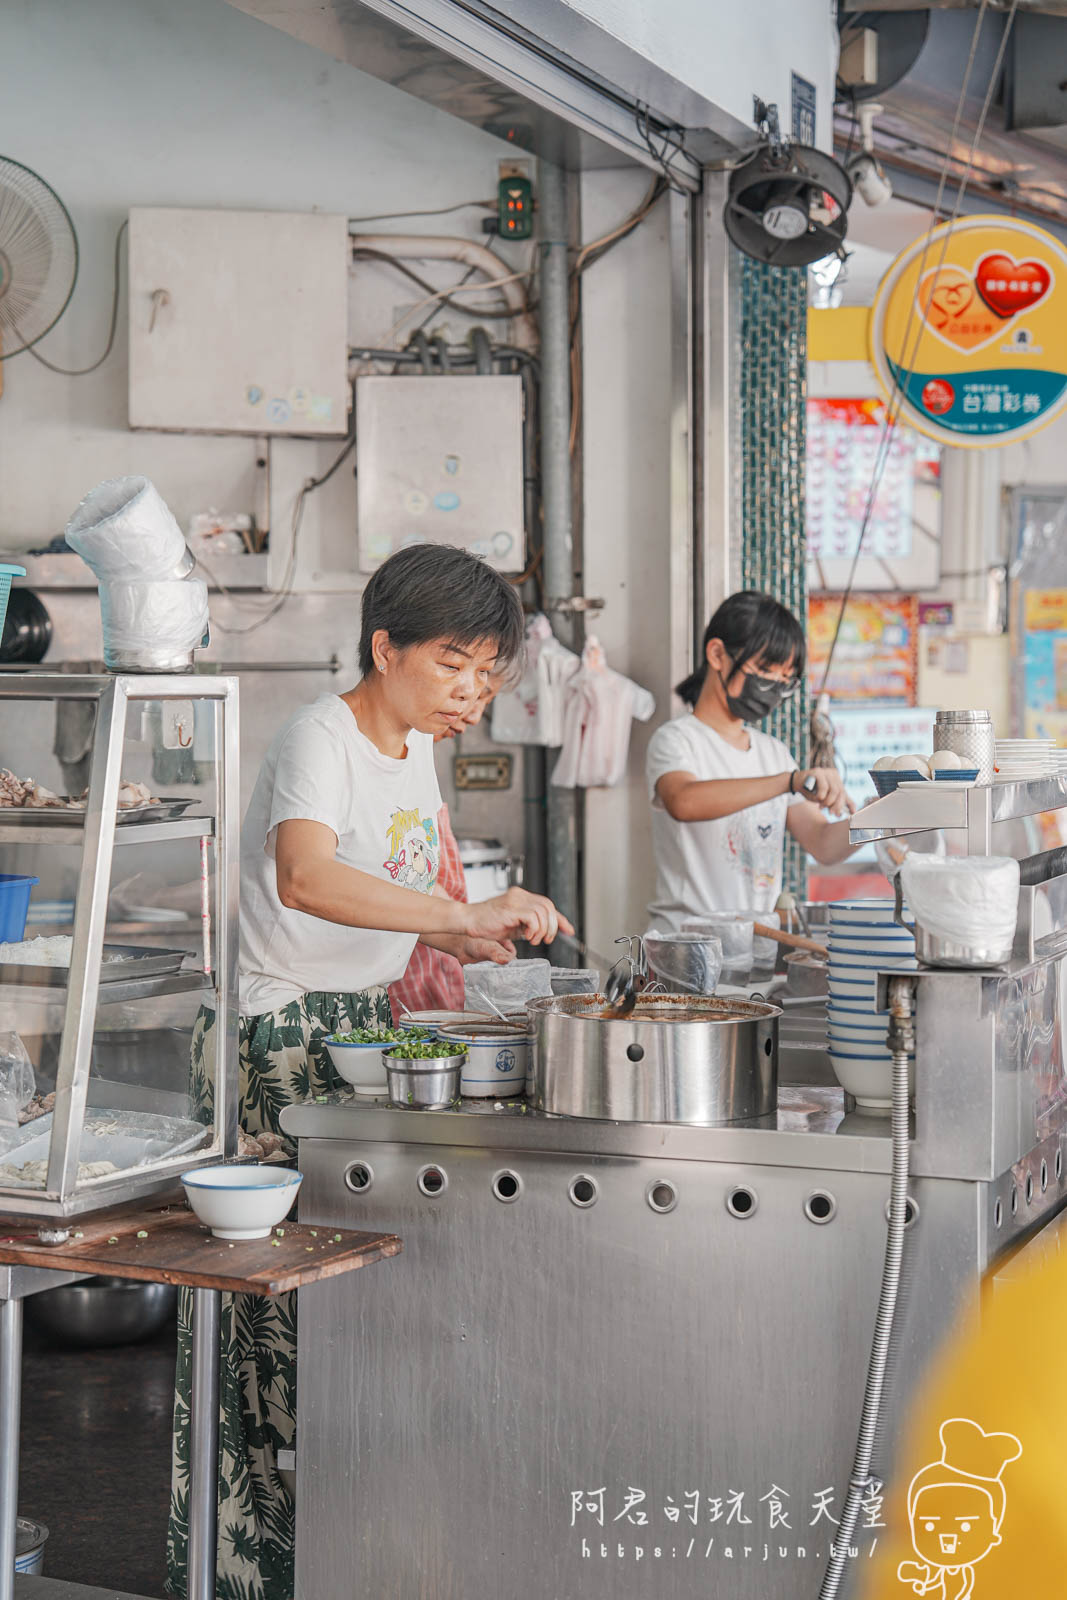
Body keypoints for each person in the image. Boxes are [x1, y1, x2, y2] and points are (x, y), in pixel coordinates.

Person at [167, 544, 570, 1600]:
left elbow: (406, 884)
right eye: (452, 665)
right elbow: (304, 874)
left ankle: (333, 1548)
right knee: (264, 1309)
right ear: (384, 647)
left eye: (487, 673)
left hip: (355, 1024)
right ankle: (240, 1566)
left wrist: (467, 941)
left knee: (333, 1304)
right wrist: (456, 913)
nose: (470, 693)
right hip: (280, 1032)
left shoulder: (412, 748)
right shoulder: (320, 735)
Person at [646, 590, 855, 933]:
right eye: (764, 670)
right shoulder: (677, 740)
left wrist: (880, 821)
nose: (773, 687)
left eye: (784, 679)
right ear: (717, 655)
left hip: (752, 948)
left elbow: (823, 843)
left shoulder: (773, 753)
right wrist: (788, 781)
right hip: (684, 948)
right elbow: (683, 800)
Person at [388, 669, 507, 1016]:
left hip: (433, 955)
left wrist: (463, 936)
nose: (473, 713)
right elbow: (376, 871)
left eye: (485, 697)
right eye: (476, 695)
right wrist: (465, 920)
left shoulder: (419, 746)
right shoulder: (329, 734)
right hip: (396, 966)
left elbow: (408, 873)